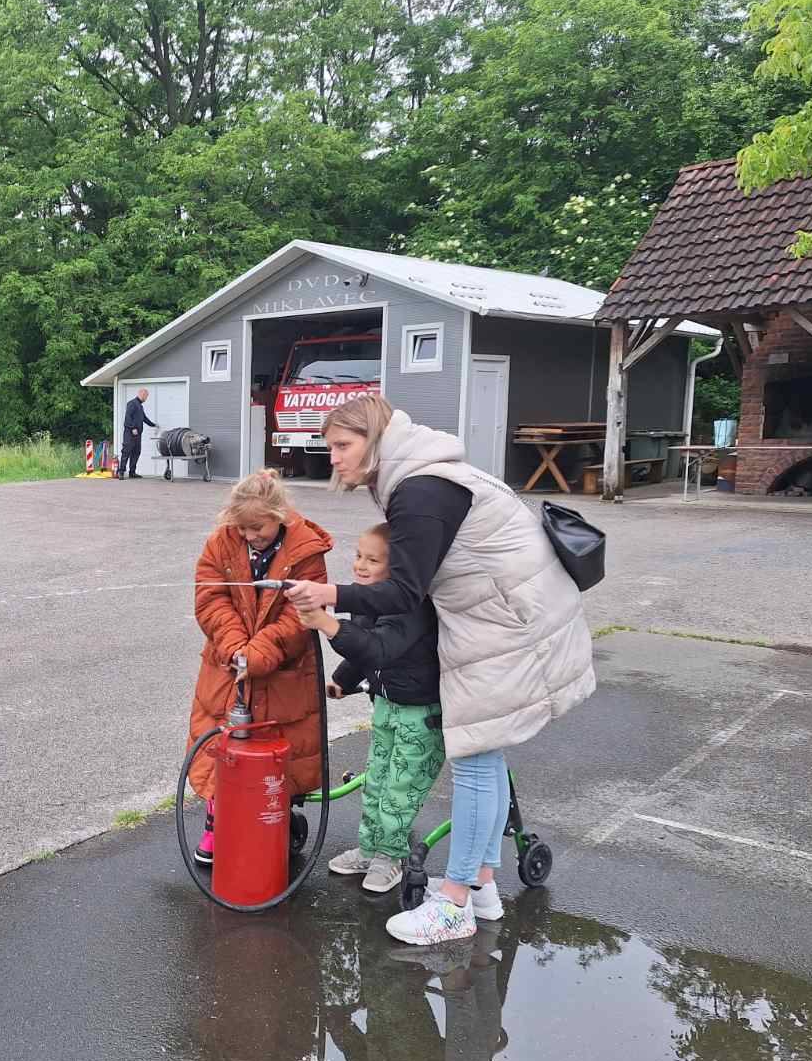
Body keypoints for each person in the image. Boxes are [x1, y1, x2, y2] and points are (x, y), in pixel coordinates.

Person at [284, 394, 594, 945]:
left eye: (341, 445)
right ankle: (482, 886)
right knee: (488, 757)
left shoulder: (420, 490)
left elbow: (402, 591)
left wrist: (327, 599)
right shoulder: (424, 476)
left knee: (475, 758)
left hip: (505, 624)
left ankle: (453, 904)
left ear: (374, 440)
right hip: (509, 614)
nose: (331, 457)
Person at [186, 469, 331, 864]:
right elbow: (211, 600)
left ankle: (274, 822)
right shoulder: (220, 544)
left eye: (258, 528)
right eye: (242, 528)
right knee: (223, 752)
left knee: (274, 758)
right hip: (226, 669)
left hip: (285, 675)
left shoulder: (306, 551)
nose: (250, 536)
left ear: (279, 514)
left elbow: (301, 615)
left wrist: (260, 654)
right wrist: (236, 650)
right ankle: (217, 824)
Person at [298, 523, 445, 895]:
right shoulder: (370, 600)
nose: (360, 566)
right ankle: (368, 848)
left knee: (401, 787)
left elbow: (378, 648)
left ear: (398, 571)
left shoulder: (411, 606)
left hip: (419, 713)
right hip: (385, 704)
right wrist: (343, 681)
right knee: (377, 780)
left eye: (373, 560)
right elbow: (363, 650)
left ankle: (391, 857)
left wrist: (328, 625)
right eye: (359, 556)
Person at [118, 388, 156, 479]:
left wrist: (153, 425)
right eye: (146, 396)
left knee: (136, 452)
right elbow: (128, 418)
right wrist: (133, 428)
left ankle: (132, 472)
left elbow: (144, 418)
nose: (146, 398)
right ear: (141, 394)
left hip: (138, 435)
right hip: (130, 434)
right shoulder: (132, 404)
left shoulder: (140, 406)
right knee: (126, 452)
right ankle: (121, 472)